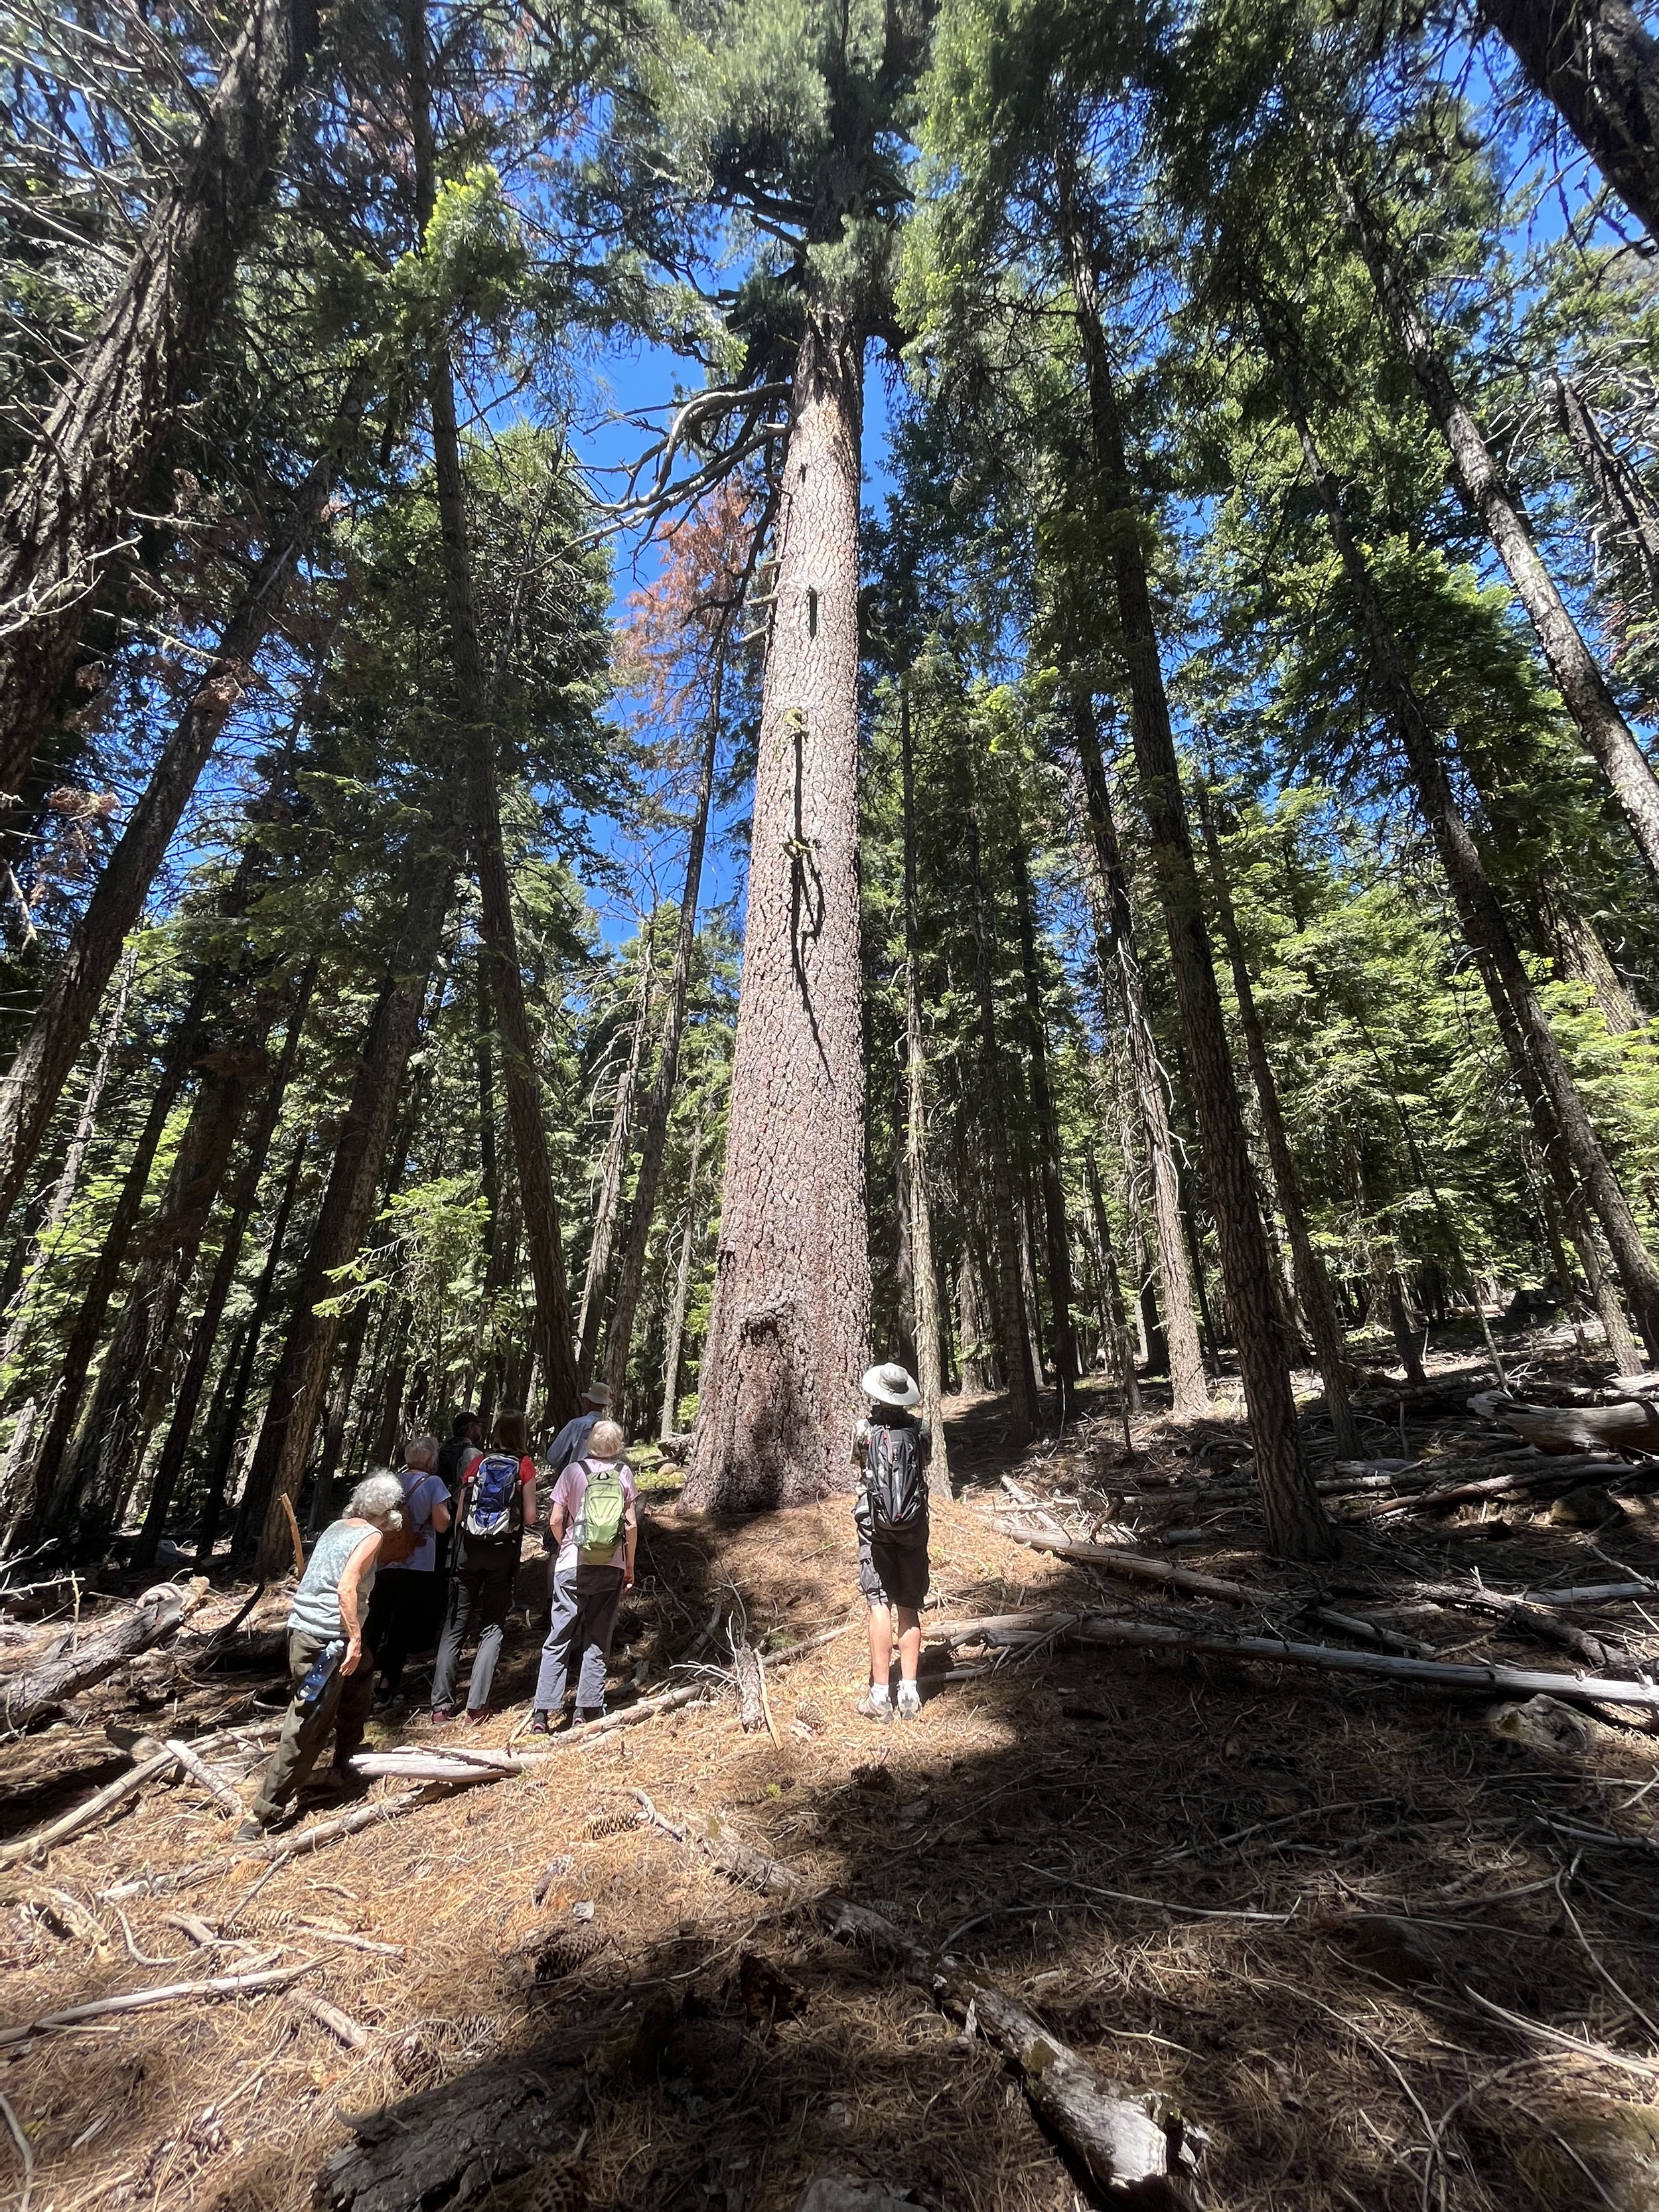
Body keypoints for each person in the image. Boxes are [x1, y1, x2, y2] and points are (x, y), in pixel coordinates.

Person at [241, 1473, 410, 1836]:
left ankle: (347, 1764)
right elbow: (347, 1587)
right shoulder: (371, 1535)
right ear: (386, 1510)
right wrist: (353, 1638)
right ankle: (263, 1814)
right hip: (326, 1643)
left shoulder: (337, 1527)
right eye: (396, 1507)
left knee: (360, 1680)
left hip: (303, 1632)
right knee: (308, 1722)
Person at [528, 1416, 637, 1733]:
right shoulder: (624, 1474)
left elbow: (555, 1519)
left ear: (590, 1444)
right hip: (611, 1565)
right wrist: (628, 1566)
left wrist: (566, 1546)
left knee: (558, 1637)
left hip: (572, 1565)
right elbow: (630, 1525)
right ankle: (587, 1709)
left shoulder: (572, 1472)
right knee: (598, 1638)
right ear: (617, 1447)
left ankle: (543, 1712)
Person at [429, 1407, 538, 1726]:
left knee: (455, 1627)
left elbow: (460, 1515)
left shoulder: (479, 1462)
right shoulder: (524, 1465)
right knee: (492, 1626)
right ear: (521, 1433)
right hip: (502, 1554)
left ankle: (440, 1706)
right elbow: (530, 1517)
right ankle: (477, 1706)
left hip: (468, 1551)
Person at [853, 1361, 932, 1726]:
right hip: (914, 1527)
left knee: (878, 1603)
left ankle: (879, 1696)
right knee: (909, 1604)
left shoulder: (864, 1430)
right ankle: (911, 1694)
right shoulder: (921, 1429)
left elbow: (859, 1465)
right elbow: (926, 1465)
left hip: (876, 1528)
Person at [366, 1435, 451, 1711]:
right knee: (401, 1627)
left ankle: (357, 1680)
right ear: (430, 1459)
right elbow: (441, 1525)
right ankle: (388, 1686)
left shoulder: (392, 1482)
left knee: (374, 1622)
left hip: (385, 1561)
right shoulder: (434, 1483)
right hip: (418, 1565)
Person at [545, 1384, 610, 1478]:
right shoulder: (611, 1429)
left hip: (577, 1480)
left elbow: (553, 1457)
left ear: (588, 1402)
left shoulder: (576, 1425)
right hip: (603, 1481)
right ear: (604, 1405)